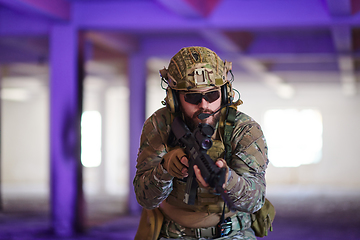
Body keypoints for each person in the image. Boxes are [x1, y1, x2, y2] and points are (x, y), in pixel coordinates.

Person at [133, 46, 269, 240]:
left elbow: (255, 201)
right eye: (193, 97)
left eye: (212, 94)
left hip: (232, 233)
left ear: (225, 92)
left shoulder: (244, 129)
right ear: (175, 99)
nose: (204, 105)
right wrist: (165, 169)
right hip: (173, 233)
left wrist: (229, 181)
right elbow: (145, 198)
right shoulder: (160, 125)